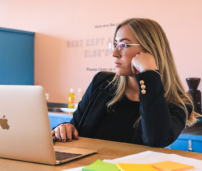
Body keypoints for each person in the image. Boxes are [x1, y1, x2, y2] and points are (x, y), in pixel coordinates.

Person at [51, 18, 200, 147]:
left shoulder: (178, 103)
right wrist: (65, 128)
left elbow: (156, 141)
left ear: (149, 51)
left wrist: (149, 74)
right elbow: (74, 125)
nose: (115, 53)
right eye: (115, 44)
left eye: (123, 45)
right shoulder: (101, 82)